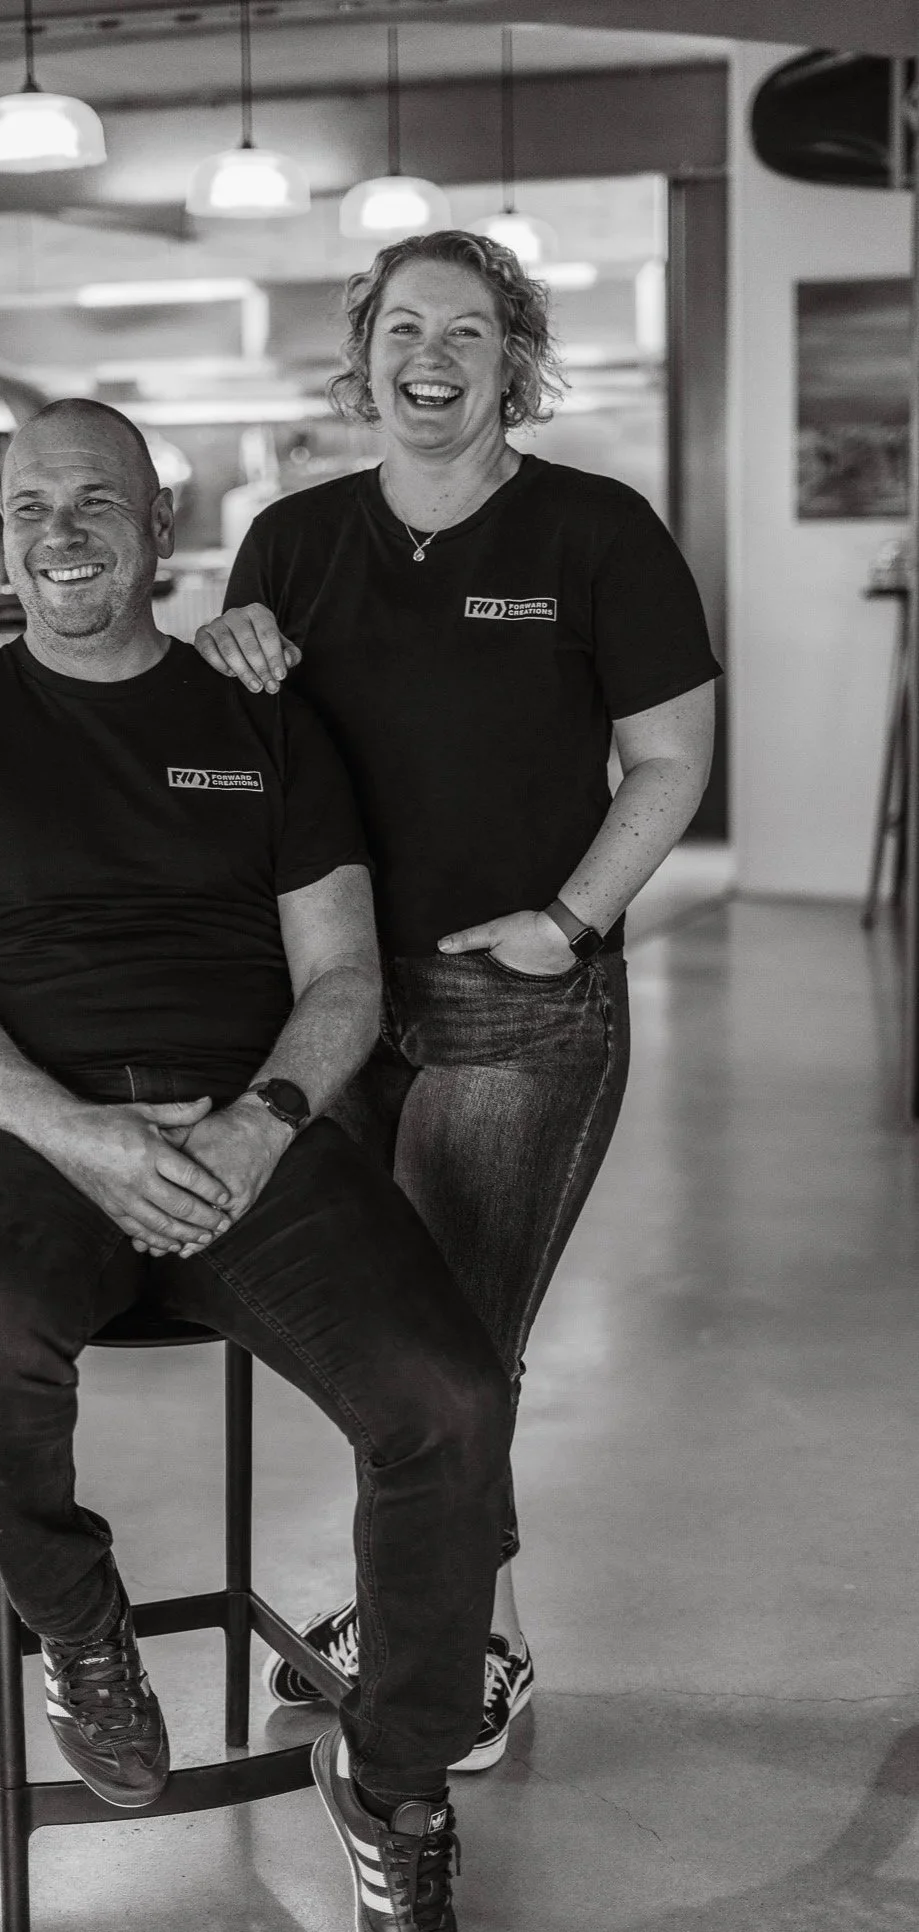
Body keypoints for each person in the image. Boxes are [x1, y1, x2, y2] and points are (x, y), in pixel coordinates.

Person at [0, 396, 511, 1931]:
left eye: (93, 501)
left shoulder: (259, 715)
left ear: (159, 522)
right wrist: (76, 1134)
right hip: (25, 1134)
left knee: (451, 1400)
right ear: (0, 530)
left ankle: (396, 1779)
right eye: (27, 507)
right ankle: (80, 1629)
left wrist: (257, 1121)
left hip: (249, 1128)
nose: (58, 532)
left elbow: (342, 973)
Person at [193, 229, 721, 1771]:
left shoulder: (592, 531)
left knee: (453, 1345)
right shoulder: (289, 540)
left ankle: (465, 1648)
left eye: (469, 331)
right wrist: (221, 655)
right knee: (379, 1339)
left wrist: (569, 920)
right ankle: (416, 1602)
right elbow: (246, 767)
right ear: (359, 354)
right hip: (335, 997)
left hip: (518, 1003)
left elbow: (670, 758)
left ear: (513, 360)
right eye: (403, 326)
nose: (432, 355)